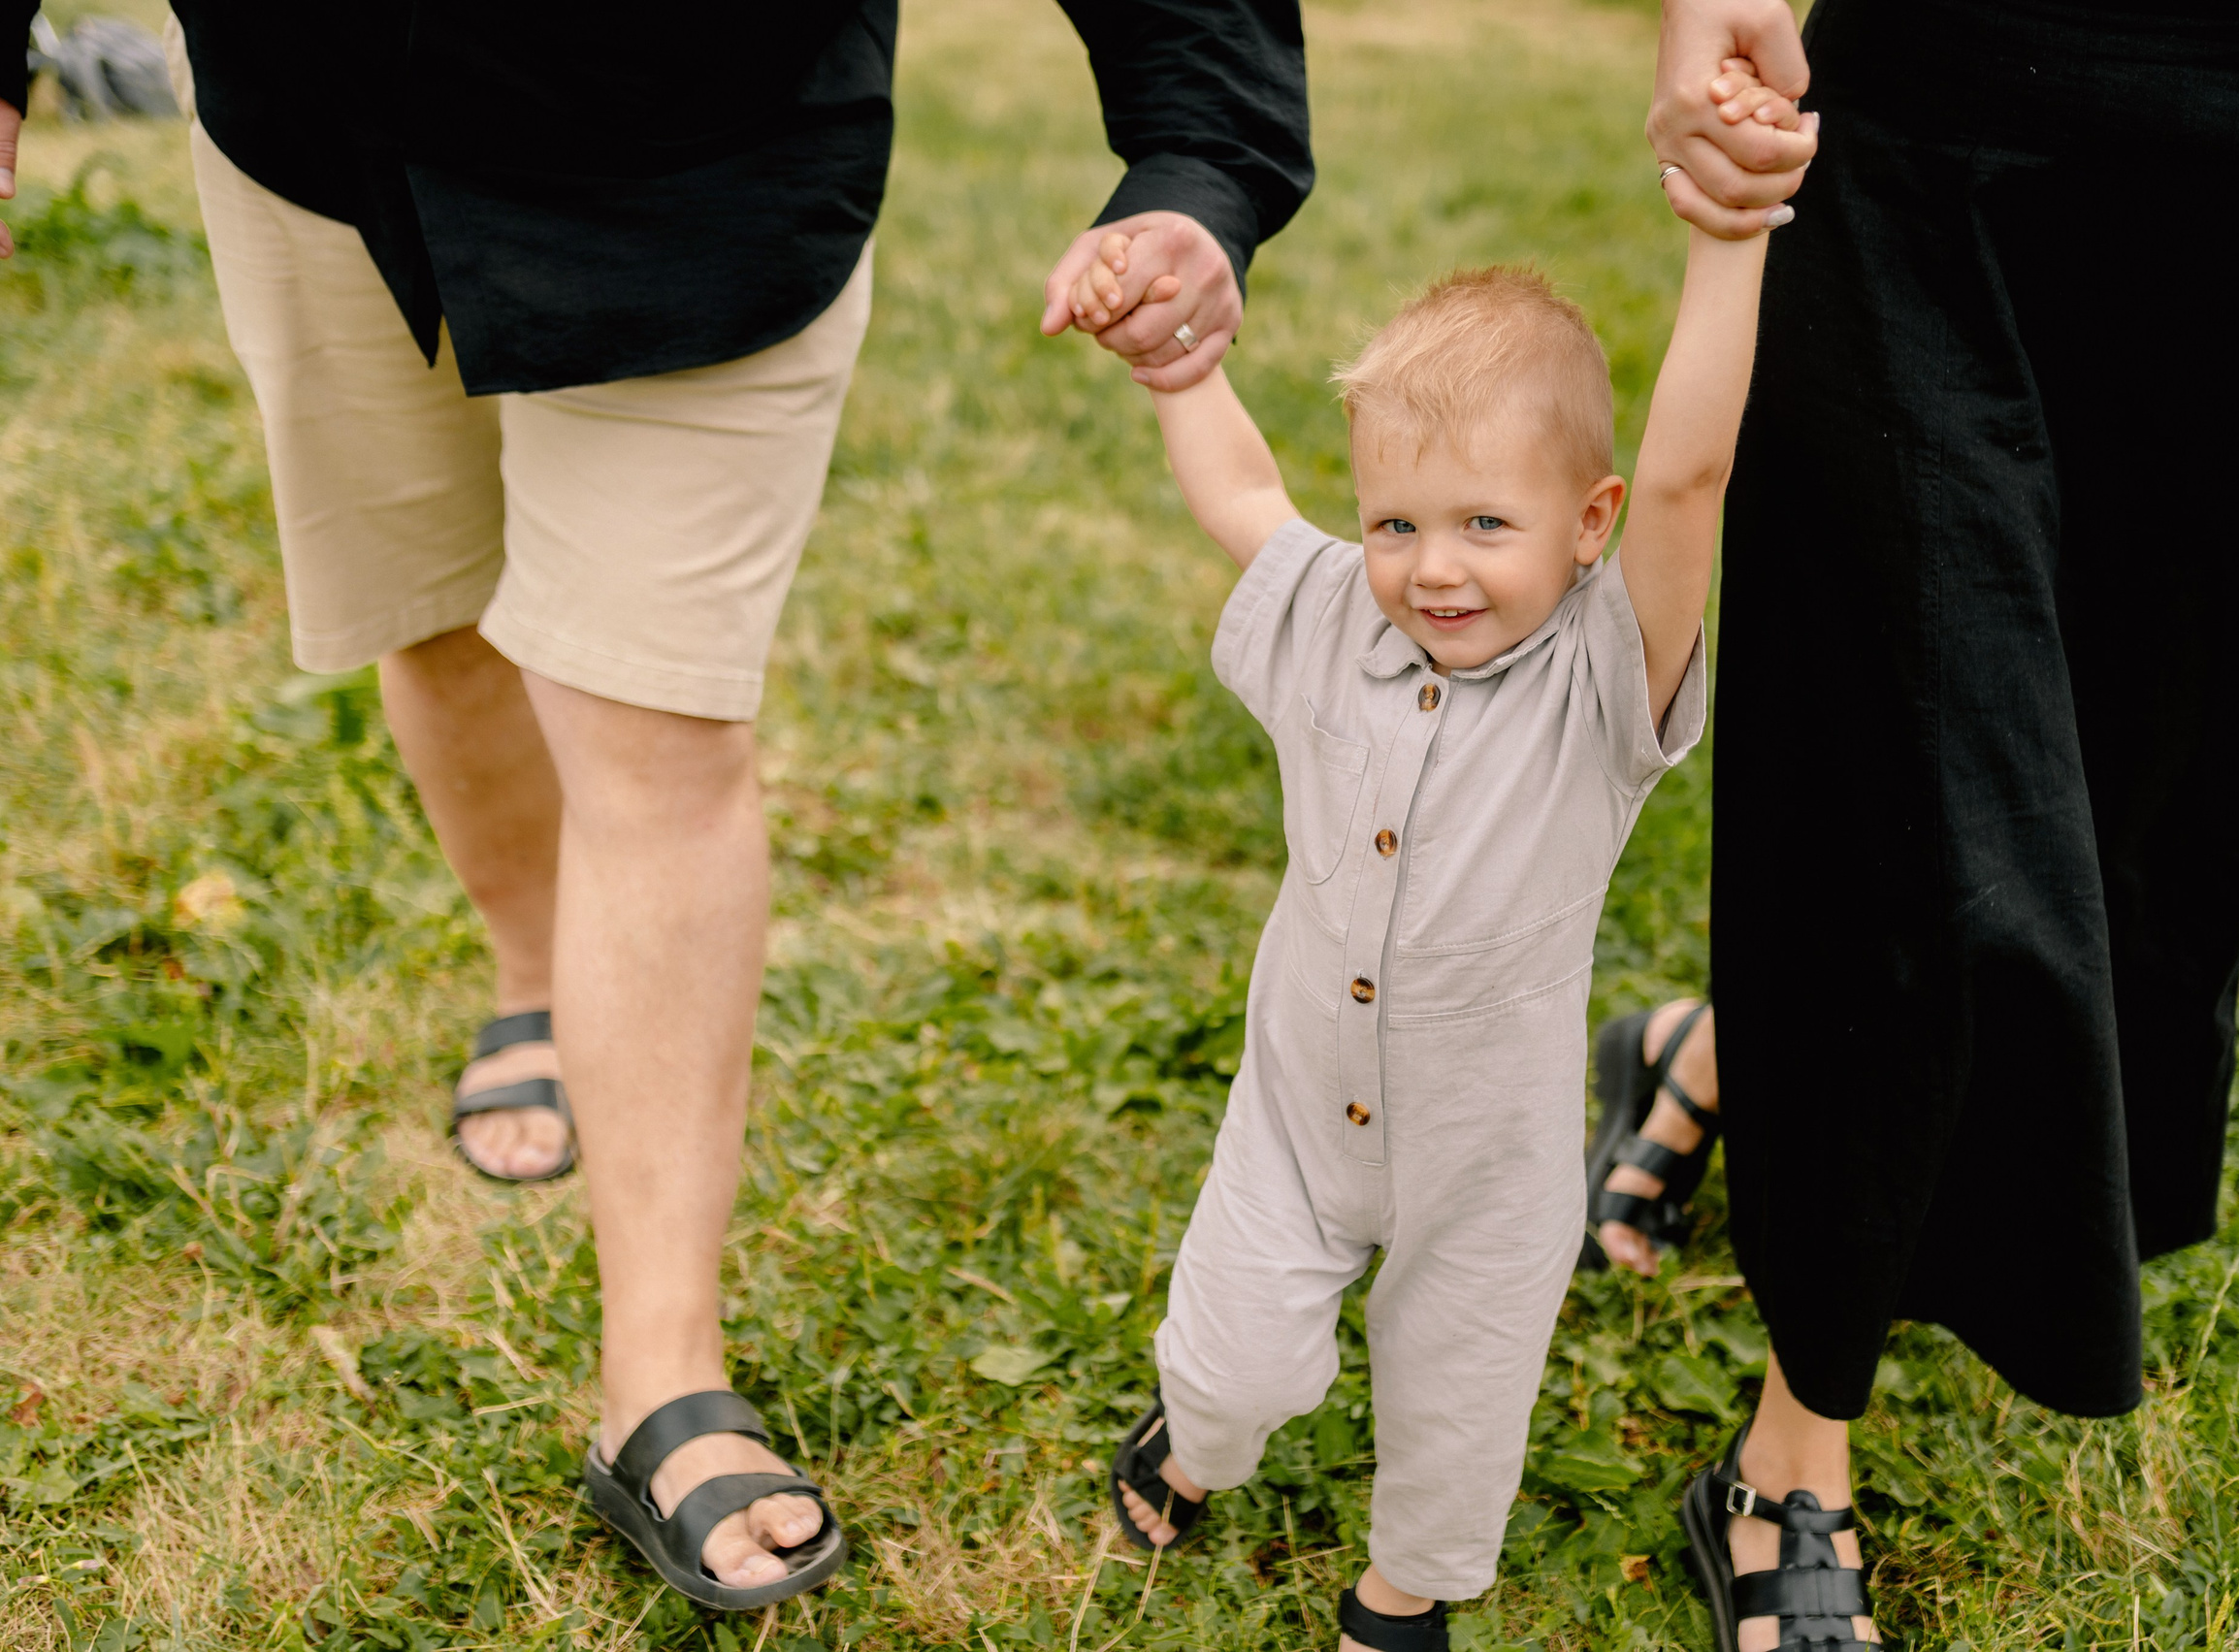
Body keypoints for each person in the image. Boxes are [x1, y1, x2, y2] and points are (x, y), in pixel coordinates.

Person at [0, 0, 1311, 1612]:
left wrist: (1199, 151)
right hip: (316, 126)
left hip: (700, 153)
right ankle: (528, 982)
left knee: (656, 735)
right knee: (437, 612)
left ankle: (658, 1380)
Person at [1583, 1, 2239, 1646]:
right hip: (1936, 114)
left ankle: (1715, 1056)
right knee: (1918, 807)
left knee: (2113, 795)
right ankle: (1795, 1452)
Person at [1081, 140, 1793, 1633]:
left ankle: (1400, 1599)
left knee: (1460, 1418)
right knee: (1226, 1375)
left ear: (1587, 529)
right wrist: (1173, 370)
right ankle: (1196, 1447)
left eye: (1487, 523)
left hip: (1487, 1170)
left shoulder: (1604, 682)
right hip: (1294, 1118)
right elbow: (1243, 498)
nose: (1432, 568)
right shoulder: (1334, 618)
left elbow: (1691, 473)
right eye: (1397, 522)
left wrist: (1730, 240)